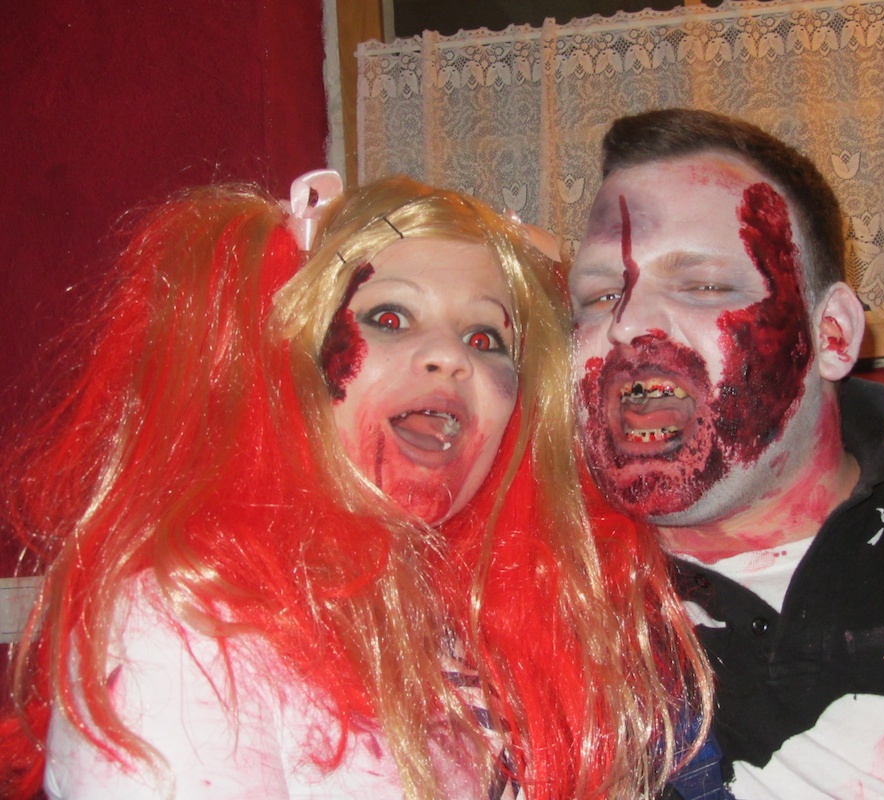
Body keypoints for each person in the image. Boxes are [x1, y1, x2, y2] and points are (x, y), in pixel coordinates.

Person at [1, 173, 713, 799]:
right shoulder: (185, 624)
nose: (449, 359)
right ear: (295, 360)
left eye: (485, 339)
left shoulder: (470, 629)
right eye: (390, 317)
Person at [569, 108, 884, 799]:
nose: (626, 324)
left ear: (831, 334)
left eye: (703, 285)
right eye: (598, 295)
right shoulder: (547, 600)